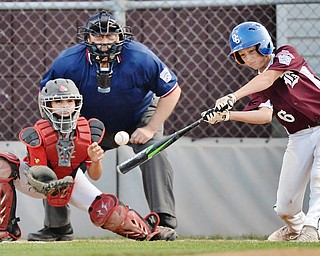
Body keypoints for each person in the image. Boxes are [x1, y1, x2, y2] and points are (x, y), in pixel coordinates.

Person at [28, 10, 181, 241]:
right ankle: (57, 227)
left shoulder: (141, 57)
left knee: (155, 151)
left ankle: (164, 221)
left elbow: (172, 91)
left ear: (121, 37)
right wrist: (61, 131)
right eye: (98, 37)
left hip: (138, 118)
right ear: (88, 38)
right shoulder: (68, 61)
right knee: (56, 153)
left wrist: (150, 128)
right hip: (86, 124)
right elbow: (45, 95)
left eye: (110, 36)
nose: (105, 42)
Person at [0, 78, 176, 242]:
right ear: (48, 106)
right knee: (3, 164)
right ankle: (5, 230)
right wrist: (49, 182)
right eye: (59, 102)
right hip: (35, 182)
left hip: (70, 180)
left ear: (77, 103)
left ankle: (148, 231)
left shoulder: (87, 131)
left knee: (106, 207)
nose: (65, 106)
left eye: (69, 101)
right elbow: (38, 172)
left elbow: (95, 176)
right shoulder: (38, 133)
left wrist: (95, 159)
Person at [201, 21, 320, 242]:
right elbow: (264, 116)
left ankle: (313, 228)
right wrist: (228, 115)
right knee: (285, 206)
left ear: (264, 45)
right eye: (243, 55)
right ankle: (296, 228)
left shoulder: (285, 55)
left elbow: (268, 77)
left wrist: (232, 97)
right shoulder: (258, 86)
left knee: (318, 178)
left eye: (251, 51)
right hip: (298, 136)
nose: (249, 59)